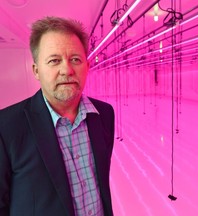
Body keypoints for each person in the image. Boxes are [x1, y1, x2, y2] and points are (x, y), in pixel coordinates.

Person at [0, 16, 115, 216]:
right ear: (36, 70)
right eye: (54, 60)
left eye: (75, 59)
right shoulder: (6, 127)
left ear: (87, 67)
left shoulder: (104, 114)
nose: (67, 70)